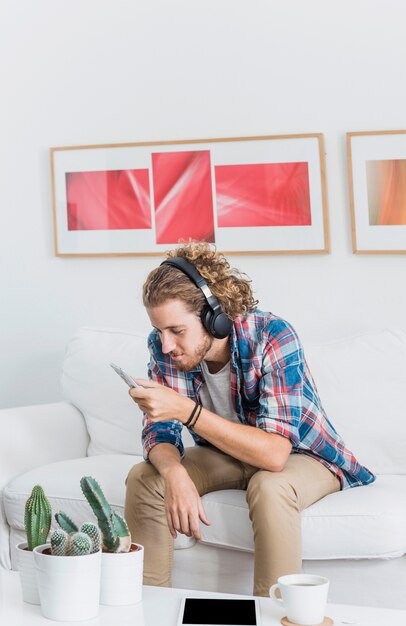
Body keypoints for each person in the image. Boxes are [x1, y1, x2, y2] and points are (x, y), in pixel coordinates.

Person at [124, 241, 375, 597]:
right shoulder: (165, 347)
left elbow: (273, 455)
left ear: (215, 315)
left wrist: (187, 412)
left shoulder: (273, 335)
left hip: (301, 457)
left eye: (177, 331)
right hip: (226, 454)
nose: (166, 345)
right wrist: (174, 471)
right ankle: (146, 608)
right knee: (146, 477)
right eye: (159, 331)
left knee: (269, 487)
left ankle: (273, 615)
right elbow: (160, 431)